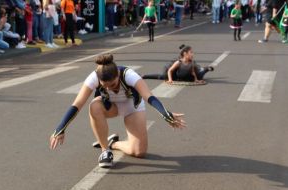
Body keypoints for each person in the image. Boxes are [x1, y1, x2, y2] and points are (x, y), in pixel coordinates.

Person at [49, 54, 185, 168]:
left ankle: (113, 143)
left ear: (118, 75)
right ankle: (105, 150)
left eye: (113, 85)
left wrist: (165, 114)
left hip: (132, 107)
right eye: (104, 86)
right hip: (110, 107)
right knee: (94, 106)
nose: (109, 89)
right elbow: (77, 103)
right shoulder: (94, 77)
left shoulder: (129, 75)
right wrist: (61, 128)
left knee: (139, 152)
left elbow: (149, 96)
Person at [142, 45, 214, 84]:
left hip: (187, 75)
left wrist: (196, 80)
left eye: (192, 52)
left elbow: (193, 72)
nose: (193, 54)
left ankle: (206, 69)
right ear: (185, 54)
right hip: (176, 75)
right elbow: (170, 70)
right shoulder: (179, 61)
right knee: (162, 76)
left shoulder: (192, 62)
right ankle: (144, 76)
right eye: (191, 52)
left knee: (200, 76)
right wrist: (170, 79)